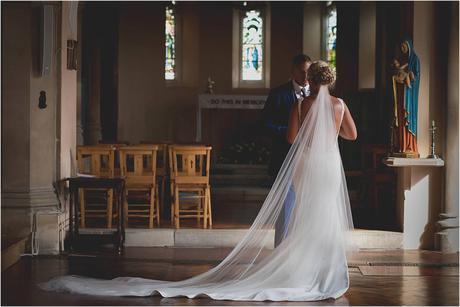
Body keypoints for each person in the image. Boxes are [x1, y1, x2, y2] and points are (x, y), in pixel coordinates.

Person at [40, 61, 358, 302]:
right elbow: (351, 135)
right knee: (325, 215)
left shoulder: (301, 104)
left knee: (305, 215)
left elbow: (290, 139)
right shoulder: (340, 105)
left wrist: (308, 133)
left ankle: (300, 271)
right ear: (330, 81)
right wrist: (329, 134)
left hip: (305, 165)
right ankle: (325, 273)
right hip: (329, 166)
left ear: (310, 79)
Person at [262, 54, 312, 246]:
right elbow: (265, 125)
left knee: (307, 208)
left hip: (310, 160)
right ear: (293, 71)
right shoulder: (278, 94)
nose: (306, 76)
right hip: (284, 156)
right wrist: (290, 132)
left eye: (309, 72)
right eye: (302, 71)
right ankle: (281, 252)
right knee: (286, 208)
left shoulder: (318, 95)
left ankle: (303, 250)